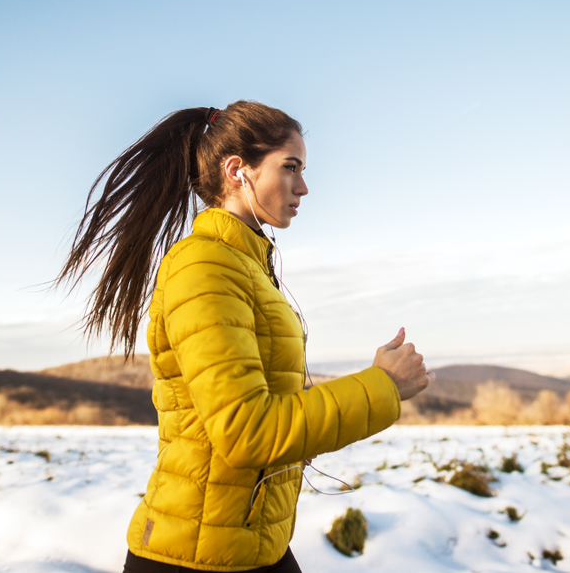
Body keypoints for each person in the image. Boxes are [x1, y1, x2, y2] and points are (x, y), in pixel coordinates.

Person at [56, 101, 433, 572]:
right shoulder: (205, 267)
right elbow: (245, 432)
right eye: (289, 167)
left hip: (246, 542)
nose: (303, 187)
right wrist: (383, 386)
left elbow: (269, 408)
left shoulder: (245, 265)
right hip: (195, 556)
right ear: (238, 170)